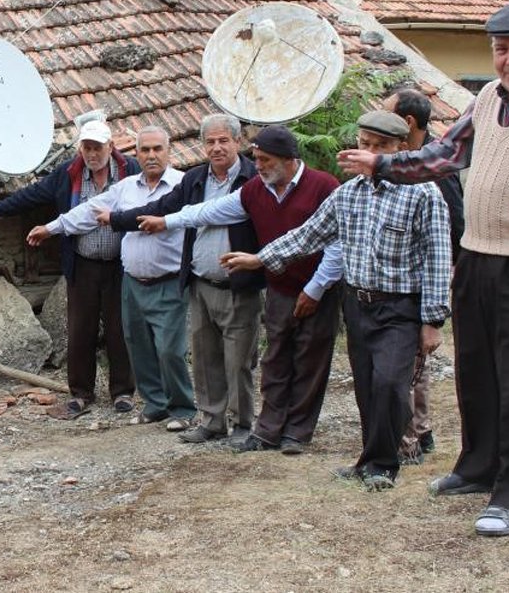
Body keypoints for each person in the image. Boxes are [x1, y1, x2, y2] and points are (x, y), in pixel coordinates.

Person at [338, 0, 509, 536]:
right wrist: (383, 163)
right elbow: (442, 155)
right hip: (478, 257)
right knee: (477, 374)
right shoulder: (487, 98)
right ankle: (477, 467)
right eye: (502, 49)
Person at [226, 111, 452, 491]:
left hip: (400, 307)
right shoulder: (348, 194)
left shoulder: (423, 193)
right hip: (358, 304)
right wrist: (260, 258)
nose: (369, 152)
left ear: (400, 149)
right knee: (365, 385)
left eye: (380, 147)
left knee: (390, 386)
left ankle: (385, 462)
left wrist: (432, 320)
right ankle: (369, 460)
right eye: (365, 144)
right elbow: (308, 235)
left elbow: (438, 258)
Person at [109, 125, 343, 454]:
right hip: (272, 288)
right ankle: (265, 431)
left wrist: (316, 287)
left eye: (263, 159)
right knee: (273, 363)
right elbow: (210, 210)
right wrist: (168, 221)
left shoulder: (323, 186)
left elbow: (336, 242)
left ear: (287, 159)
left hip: (309, 289)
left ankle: (294, 432)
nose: (257, 165)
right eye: (257, 158)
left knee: (305, 362)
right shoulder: (252, 189)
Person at [106, 114, 263, 443]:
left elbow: (186, 216)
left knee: (237, 360)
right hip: (201, 282)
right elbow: (162, 206)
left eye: (223, 141)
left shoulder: (252, 179)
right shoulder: (194, 180)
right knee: (205, 358)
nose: (217, 148)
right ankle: (212, 420)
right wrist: (116, 219)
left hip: (237, 285)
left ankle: (243, 424)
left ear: (238, 142)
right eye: (210, 142)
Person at [30, 126, 195, 430]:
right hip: (133, 281)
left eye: (157, 149)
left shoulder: (183, 185)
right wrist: (52, 228)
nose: (151, 155)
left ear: (169, 151)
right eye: (145, 150)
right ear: (136, 154)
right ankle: (156, 405)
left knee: (171, 350)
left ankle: (183, 409)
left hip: (168, 280)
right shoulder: (126, 188)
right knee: (137, 345)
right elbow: (89, 209)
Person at [0, 120, 139, 417]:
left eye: (97, 147)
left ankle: (123, 392)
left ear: (110, 147)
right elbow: (34, 194)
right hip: (83, 264)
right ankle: (80, 393)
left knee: (120, 329)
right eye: (87, 147)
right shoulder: (69, 173)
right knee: (81, 330)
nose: (92, 154)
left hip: (121, 264)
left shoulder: (132, 171)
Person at [383, 88, 465, 464]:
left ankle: (416, 432)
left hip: (424, 276)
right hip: (399, 275)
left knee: (414, 358)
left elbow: (453, 225)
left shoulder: (435, 169)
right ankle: (421, 427)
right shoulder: (403, 158)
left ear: (408, 122)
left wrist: (441, 277)